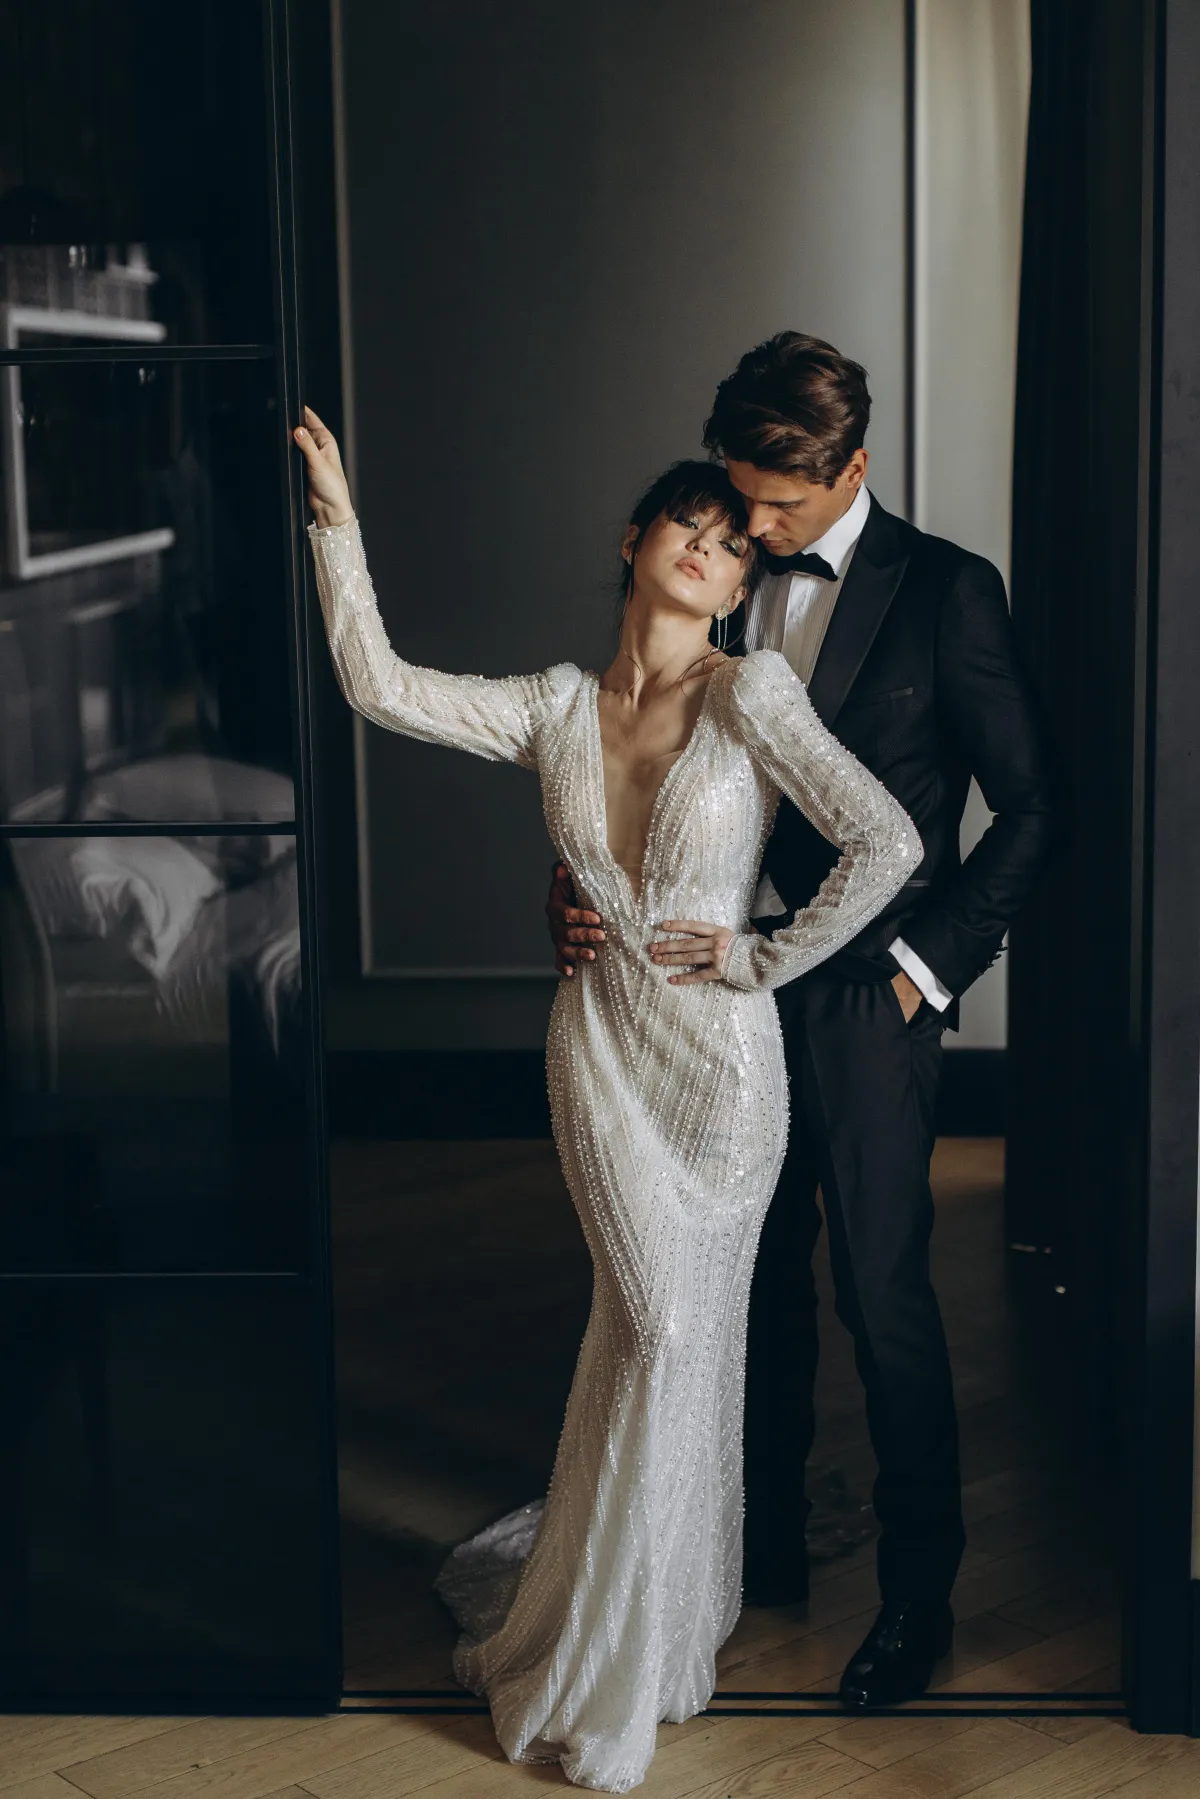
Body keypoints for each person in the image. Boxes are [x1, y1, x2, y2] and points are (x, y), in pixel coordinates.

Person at [293, 405, 917, 1791]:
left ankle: (664, 1631)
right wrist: (338, 519)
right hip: (599, 1050)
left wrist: (763, 950)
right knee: (653, 1317)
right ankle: (600, 1642)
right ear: (633, 542)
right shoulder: (555, 707)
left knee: (687, 1343)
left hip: (723, 1075)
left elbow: (889, 840)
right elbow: (376, 683)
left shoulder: (752, 695)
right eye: (687, 526)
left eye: (729, 545)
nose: (709, 549)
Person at [550, 333, 1053, 1711]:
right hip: (707, 1001)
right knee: (736, 1283)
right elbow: (636, 755)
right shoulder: (717, 576)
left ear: (854, 469)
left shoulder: (949, 593)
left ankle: (916, 1598)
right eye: (737, 498)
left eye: (779, 506)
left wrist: (926, 970)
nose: (750, 532)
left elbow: (1032, 808)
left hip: (863, 1001)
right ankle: (745, 1558)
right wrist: (582, 891)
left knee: (879, 1295)